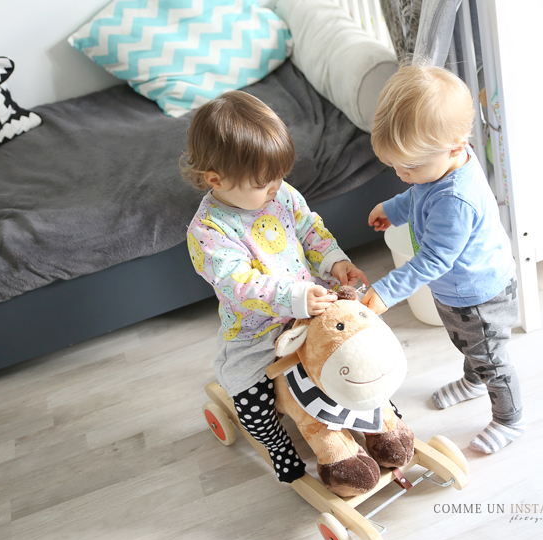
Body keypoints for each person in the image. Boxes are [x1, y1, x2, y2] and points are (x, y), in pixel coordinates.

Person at [182, 90, 367, 482]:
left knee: (356, 345)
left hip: (312, 303)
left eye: (279, 178)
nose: (276, 189)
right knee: (249, 395)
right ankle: (277, 444)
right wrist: (294, 297)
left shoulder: (280, 193)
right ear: (216, 180)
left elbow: (309, 229)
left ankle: (372, 411)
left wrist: (335, 262)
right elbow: (241, 285)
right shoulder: (208, 231)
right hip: (257, 330)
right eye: (264, 183)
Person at [361, 64, 523, 454]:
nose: (402, 175)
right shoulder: (440, 166)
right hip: (460, 293)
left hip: (479, 297)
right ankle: (471, 381)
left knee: (491, 359)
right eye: (396, 167)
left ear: (455, 145)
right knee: (470, 347)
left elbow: (433, 258)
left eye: (410, 167)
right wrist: (395, 208)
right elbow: (420, 195)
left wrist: (385, 292)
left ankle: (509, 419)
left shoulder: (455, 198)